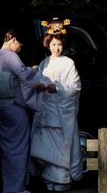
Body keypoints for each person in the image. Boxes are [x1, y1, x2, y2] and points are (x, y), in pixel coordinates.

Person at [30, 17, 83, 191]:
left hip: (61, 116)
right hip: (46, 115)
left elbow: (75, 86)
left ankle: (61, 181)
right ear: (48, 44)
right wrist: (39, 85)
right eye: (53, 44)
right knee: (46, 149)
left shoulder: (69, 63)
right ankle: (48, 180)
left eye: (59, 44)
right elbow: (38, 82)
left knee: (61, 149)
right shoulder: (44, 63)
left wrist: (58, 88)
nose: (56, 48)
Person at [0, 28, 39, 193]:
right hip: (15, 108)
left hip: (1, 107)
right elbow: (26, 78)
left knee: (7, 150)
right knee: (20, 148)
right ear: (13, 40)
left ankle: (10, 187)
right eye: (20, 45)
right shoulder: (11, 56)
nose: (20, 49)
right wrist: (34, 70)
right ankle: (17, 188)